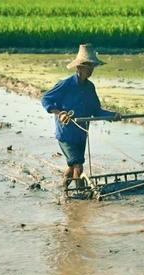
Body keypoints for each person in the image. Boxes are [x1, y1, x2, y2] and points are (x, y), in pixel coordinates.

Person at [41, 44, 121, 190]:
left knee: (72, 167)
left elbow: (96, 110)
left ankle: (64, 190)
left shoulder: (90, 88)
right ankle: (80, 197)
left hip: (81, 134)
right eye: (88, 66)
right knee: (78, 166)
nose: (90, 70)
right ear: (79, 67)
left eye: (92, 66)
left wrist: (113, 115)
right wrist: (59, 113)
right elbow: (45, 99)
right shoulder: (65, 84)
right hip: (66, 134)